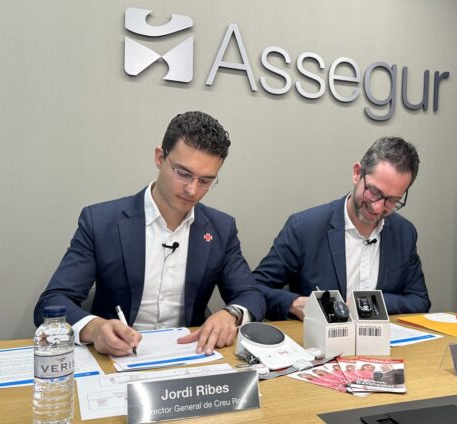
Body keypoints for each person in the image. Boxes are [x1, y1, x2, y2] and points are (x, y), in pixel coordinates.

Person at [34, 111, 265, 356]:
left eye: (206, 181)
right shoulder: (101, 222)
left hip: (189, 354)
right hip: (116, 356)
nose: (192, 189)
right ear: (160, 157)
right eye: (183, 173)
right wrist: (94, 328)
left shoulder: (221, 228)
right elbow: (53, 301)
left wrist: (231, 314)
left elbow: (251, 295)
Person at [254, 136, 430, 320]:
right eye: (373, 192)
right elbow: (256, 288)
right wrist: (295, 303)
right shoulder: (304, 228)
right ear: (357, 173)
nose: (378, 207)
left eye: (392, 200)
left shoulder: (405, 233)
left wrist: (369, 302)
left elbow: (419, 300)